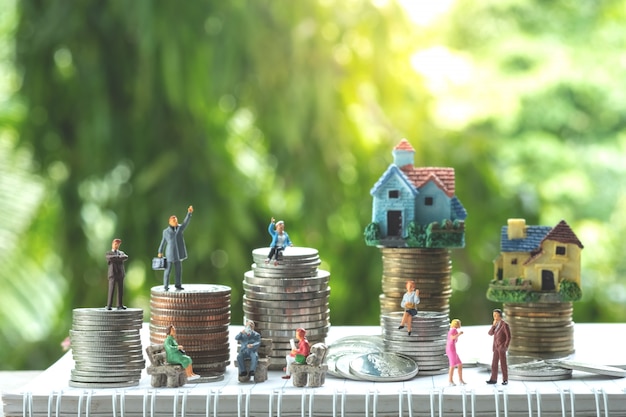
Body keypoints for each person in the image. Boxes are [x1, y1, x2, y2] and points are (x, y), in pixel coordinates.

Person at [157, 205, 193, 290]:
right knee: (167, 271)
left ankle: (178, 284)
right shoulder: (165, 232)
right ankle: (165, 286)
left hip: (178, 253)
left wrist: (189, 213)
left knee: (178, 271)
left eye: (176, 220)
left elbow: (185, 223)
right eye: (173, 221)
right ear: (170, 222)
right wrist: (160, 251)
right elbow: (163, 242)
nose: (175, 222)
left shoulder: (180, 229)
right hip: (169, 253)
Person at [486, 308, 511, 385]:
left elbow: (508, 337)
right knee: (494, 364)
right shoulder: (495, 324)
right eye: (494, 315)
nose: (495, 317)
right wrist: (493, 326)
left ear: (500, 315)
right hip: (496, 347)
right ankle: (493, 379)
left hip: (501, 347)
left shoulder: (505, 325)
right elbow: (490, 333)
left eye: (496, 315)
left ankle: (505, 379)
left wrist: (505, 346)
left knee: (503, 364)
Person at [105, 238, 128, 310]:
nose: (116, 246)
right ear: (112, 244)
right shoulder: (109, 253)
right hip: (113, 274)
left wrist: (118, 258)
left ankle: (120, 305)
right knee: (111, 290)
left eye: (118, 244)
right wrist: (119, 258)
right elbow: (110, 258)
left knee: (120, 290)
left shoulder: (121, 253)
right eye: (115, 244)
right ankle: (109, 305)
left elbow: (125, 257)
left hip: (120, 273)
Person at [446, 319, 466, 386]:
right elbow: (452, 337)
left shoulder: (454, 330)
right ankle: (450, 381)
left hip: (453, 349)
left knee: (459, 364)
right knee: (452, 366)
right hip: (451, 349)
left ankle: (461, 380)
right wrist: (459, 334)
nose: (460, 324)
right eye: (459, 323)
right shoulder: (453, 330)